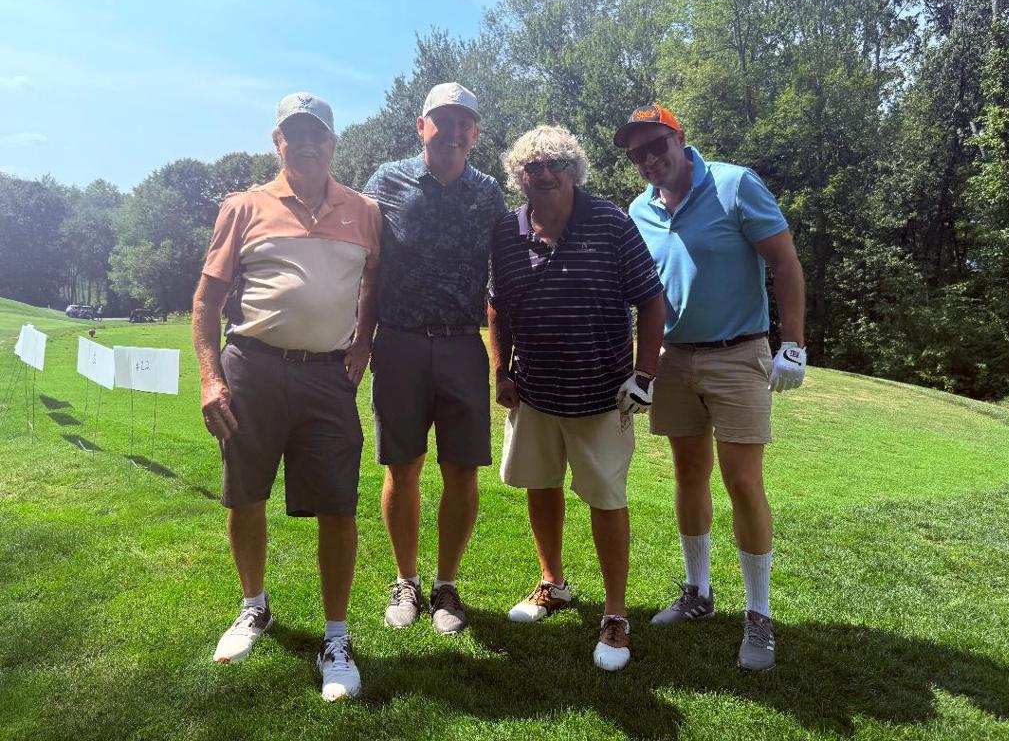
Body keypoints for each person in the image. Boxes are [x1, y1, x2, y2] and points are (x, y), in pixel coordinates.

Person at [192, 92, 381, 700]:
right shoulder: (244, 206)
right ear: (277, 142)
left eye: (316, 134)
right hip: (252, 367)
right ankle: (254, 606)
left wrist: (362, 346)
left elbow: (374, 283)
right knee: (245, 493)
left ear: (333, 143)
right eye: (293, 134)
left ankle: (336, 638)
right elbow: (206, 301)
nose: (306, 144)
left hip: (328, 377)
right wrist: (210, 377)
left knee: (338, 505)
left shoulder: (364, 211)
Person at [614, 103, 806, 672]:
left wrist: (793, 343)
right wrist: (641, 368)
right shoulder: (639, 210)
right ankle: (698, 592)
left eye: (657, 145)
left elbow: (785, 262)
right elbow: (642, 296)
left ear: (680, 138)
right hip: (674, 360)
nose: (650, 160)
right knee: (688, 475)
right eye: (638, 154)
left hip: (738, 353)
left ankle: (759, 615)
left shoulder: (734, 185)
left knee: (743, 482)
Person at [488, 125, 665, 671]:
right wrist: (500, 370)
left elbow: (651, 301)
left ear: (574, 171)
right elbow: (498, 304)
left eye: (556, 165)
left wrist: (644, 375)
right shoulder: (507, 231)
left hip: (601, 394)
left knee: (606, 499)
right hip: (535, 392)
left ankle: (616, 614)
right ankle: (553, 583)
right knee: (540, 486)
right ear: (519, 176)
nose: (544, 174)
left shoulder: (611, 222)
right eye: (532, 167)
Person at [363, 82, 507, 635]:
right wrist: (359, 339)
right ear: (421, 126)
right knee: (402, 468)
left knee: (462, 470)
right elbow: (362, 259)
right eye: (442, 120)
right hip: (398, 341)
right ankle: (407, 581)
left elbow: (507, 271)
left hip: (461, 343)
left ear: (475, 133)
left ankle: (446, 585)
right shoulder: (387, 180)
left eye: (463, 122)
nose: (452, 130)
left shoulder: (488, 192)